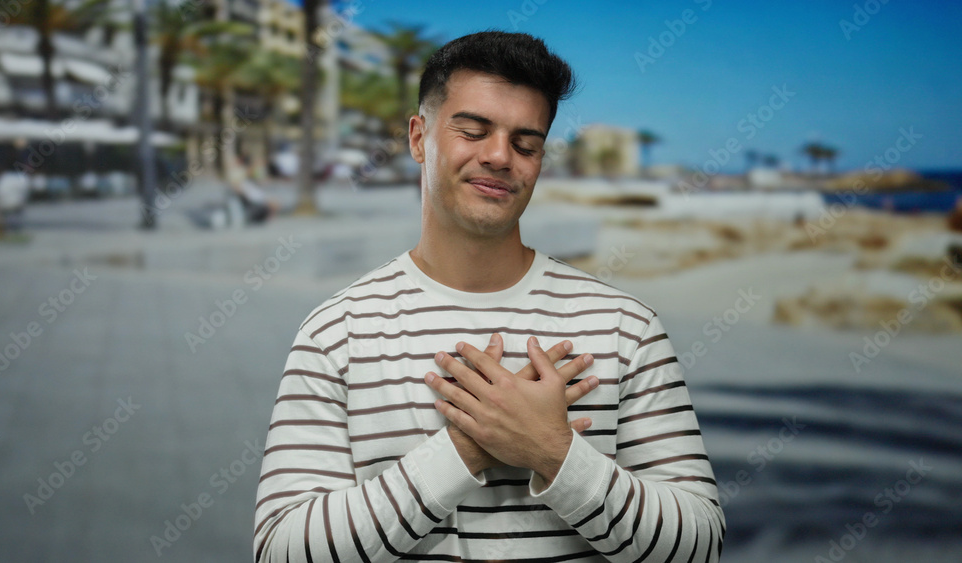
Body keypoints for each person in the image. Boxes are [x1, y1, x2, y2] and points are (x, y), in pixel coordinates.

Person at [254, 31, 725, 562]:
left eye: (526, 144)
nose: (500, 156)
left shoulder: (626, 327)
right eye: (473, 131)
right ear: (418, 137)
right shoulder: (336, 331)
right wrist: (467, 448)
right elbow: (281, 551)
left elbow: (699, 546)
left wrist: (552, 451)